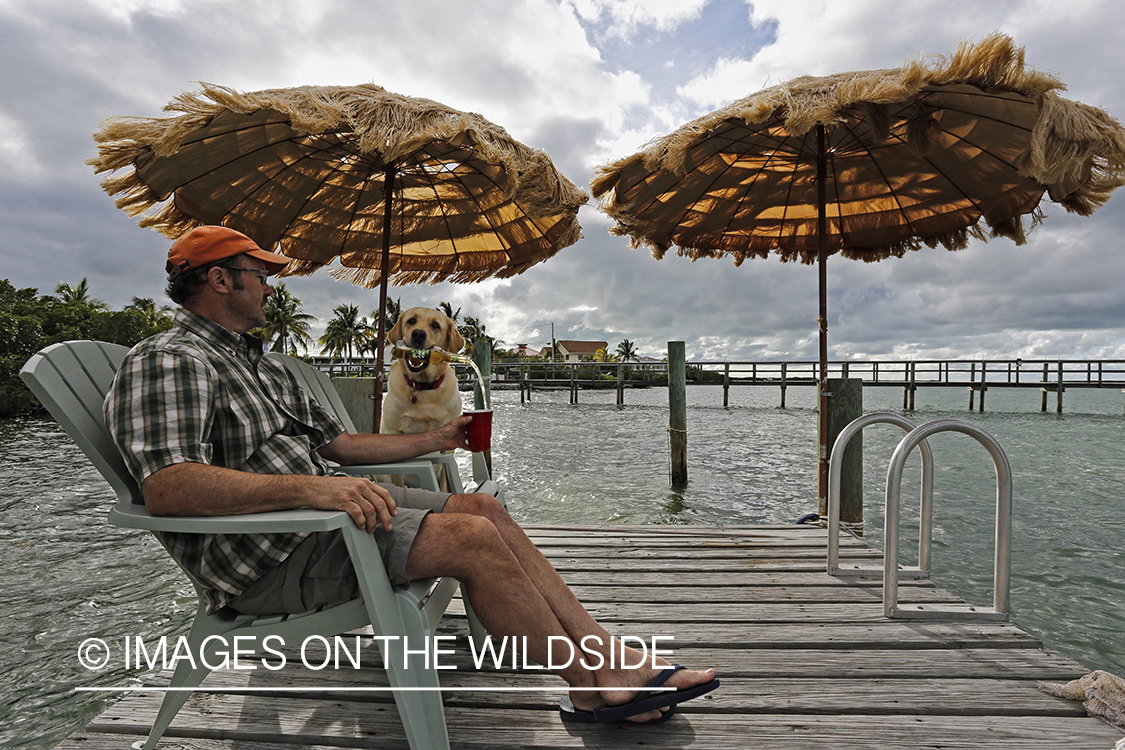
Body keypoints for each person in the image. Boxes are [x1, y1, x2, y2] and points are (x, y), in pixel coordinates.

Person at [105, 225, 718, 724]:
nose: (270, 288)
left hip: (323, 520)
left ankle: (608, 656)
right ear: (219, 279)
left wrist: (437, 439)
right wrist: (313, 488)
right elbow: (169, 486)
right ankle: (592, 683)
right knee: (472, 541)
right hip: (273, 553)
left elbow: (338, 444)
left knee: (484, 511)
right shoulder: (170, 359)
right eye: (260, 275)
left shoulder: (260, 365)